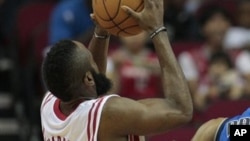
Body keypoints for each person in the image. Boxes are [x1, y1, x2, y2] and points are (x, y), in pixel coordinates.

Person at [40, 0, 193, 141]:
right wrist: (157, 29)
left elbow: (92, 79)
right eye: (91, 58)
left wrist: (102, 30)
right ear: (88, 79)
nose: (94, 58)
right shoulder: (109, 114)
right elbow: (180, 109)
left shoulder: (49, 105)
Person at [110, 32, 161, 100]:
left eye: (138, 32)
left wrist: (162, 73)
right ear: (120, 36)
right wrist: (116, 69)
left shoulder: (157, 60)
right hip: (123, 105)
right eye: (129, 32)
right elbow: (110, 94)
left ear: (146, 34)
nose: (134, 37)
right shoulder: (114, 59)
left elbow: (165, 92)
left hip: (151, 104)